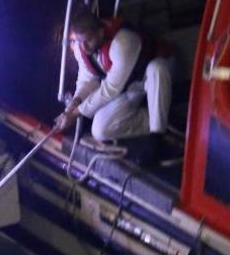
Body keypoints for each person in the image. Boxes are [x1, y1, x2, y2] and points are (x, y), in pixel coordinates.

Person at [54, 12, 173, 153]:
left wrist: (76, 114)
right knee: (100, 130)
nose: (84, 47)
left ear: (101, 32)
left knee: (157, 68)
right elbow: (88, 80)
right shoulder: (82, 48)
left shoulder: (124, 42)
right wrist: (74, 104)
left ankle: (158, 134)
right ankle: (157, 117)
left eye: (89, 40)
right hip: (129, 85)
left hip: (148, 74)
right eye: (80, 42)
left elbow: (111, 88)